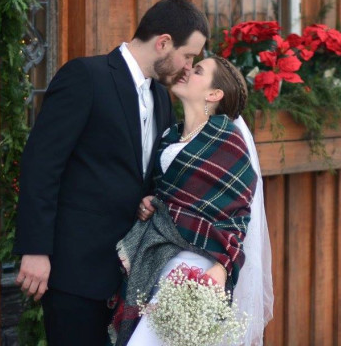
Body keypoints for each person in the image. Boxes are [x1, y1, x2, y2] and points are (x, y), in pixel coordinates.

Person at [13, 0, 211, 346]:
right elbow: (41, 165)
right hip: (74, 272)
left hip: (130, 278)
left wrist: (149, 198)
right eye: (188, 56)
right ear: (163, 42)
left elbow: (142, 175)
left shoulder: (162, 98)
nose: (187, 66)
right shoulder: (86, 77)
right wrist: (35, 250)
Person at [110, 55, 273, 346]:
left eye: (198, 70)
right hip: (155, 258)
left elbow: (237, 216)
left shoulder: (228, 140)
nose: (187, 71)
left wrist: (222, 268)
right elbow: (167, 196)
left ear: (213, 94)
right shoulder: (169, 136)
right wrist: (150, 203)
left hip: (197, 266)